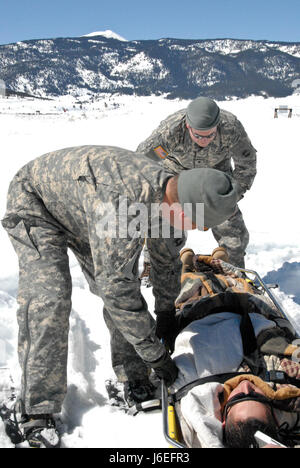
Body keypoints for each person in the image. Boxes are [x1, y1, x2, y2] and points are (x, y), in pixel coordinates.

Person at [1, 145, 239, 447]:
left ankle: (133, 375)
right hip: (37, 203)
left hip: (85, 209)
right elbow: (117, 290)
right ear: (183, 209)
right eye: (199, 223)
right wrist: (154, 353)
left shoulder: (173, 201)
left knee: (122, 288)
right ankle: (35, 407)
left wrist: (165, 314)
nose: (199, 229)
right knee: (50, 298)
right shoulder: (122, 209)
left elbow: (165, 264)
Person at [167, 247, 300, 449]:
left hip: (199, 315)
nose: (246, 385)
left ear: (222, 416)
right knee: (237, 284)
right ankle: (219, 260)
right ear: (273, 413)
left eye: (238, 397)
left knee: (193, 284)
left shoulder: (199, 410)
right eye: (256, 395)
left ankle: (186, 263)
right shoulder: (289, 401)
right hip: (250, 310)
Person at [137, 96, 257, 277]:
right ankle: (153, 270)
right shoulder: (170, 132)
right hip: (177, 183)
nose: (204, 140)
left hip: (215, 185)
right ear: (188, 126)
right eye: (198, 135)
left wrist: (231, 196)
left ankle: (236, 274)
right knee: (161, 232)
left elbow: (246, 162)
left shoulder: (231, 128)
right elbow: (141, 162)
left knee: (235, 236)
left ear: (217, 125)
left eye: (210, 135)